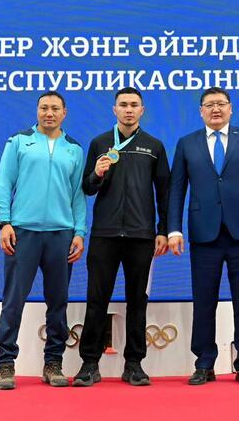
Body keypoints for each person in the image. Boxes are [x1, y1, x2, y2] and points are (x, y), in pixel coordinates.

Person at [167, 87, 239, 386]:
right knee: (204, 301)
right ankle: (204, 363)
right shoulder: (187, 143)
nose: (215, 109)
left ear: (231, 108)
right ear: (201, 111)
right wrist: (173, 229)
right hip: (204, 234)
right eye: (209, 105)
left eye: (221, 104)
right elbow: (176, 190)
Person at [73, 87, 171, 387]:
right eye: (123, 104)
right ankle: (89, 364)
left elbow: (165, 193)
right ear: (114, 109)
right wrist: (97, 174)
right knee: (96, 299)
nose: (129, 109)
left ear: (142, 110)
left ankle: (134, 364)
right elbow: (87, 188)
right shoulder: (100, 143)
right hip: (105, 234)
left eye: (134, 105)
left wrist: (163, 230)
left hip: (142, 236)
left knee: (137, 300)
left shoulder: (154, 146)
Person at [0, 90, 87, 390]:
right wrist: (4, 222)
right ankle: (5, 363)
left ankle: (53, 363)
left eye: (55, 108)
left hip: (61, 235)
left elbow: (77, 195)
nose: (49, 113)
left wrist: (79, 232)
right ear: (37, 111)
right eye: (44, 108)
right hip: (23, 233)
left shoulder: (74, 149)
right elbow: (4, 183)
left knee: (58, 302)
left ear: (64, 113)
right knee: (13, 300)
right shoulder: (19, 142)